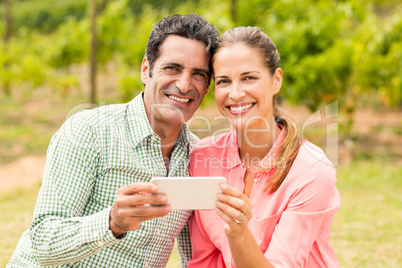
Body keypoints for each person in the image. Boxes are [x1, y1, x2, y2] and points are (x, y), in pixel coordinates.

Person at [8, 14, 218, 267]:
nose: (184, 85)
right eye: (172, 68)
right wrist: (112, 222)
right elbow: (43, 241)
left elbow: (195, 258)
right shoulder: (90, 131)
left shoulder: (199, 156)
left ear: (207, 87)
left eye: (198, 74)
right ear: (145, 69)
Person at [188, 27, 341, 267]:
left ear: (276, 80)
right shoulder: (202, 158)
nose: (236, 93)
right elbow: (205, 260)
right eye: (224, 81)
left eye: (249, 78)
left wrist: (239, 234)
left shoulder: (311, 170)